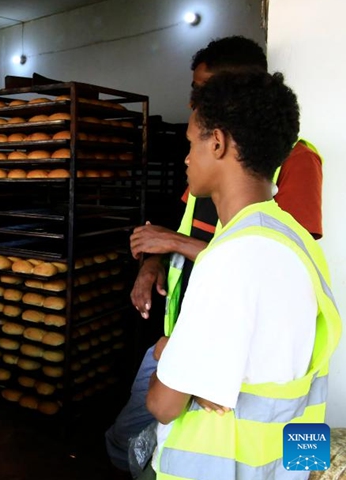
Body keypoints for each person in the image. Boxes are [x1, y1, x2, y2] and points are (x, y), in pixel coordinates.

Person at [105, 36, 324, 476]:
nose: (185, 158)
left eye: (190, 144)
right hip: (286, 465)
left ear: (218, 143)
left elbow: (163, 406)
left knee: (130, 440)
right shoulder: (298, 247)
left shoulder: (228, 260)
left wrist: (174, 353)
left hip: (211, 464)